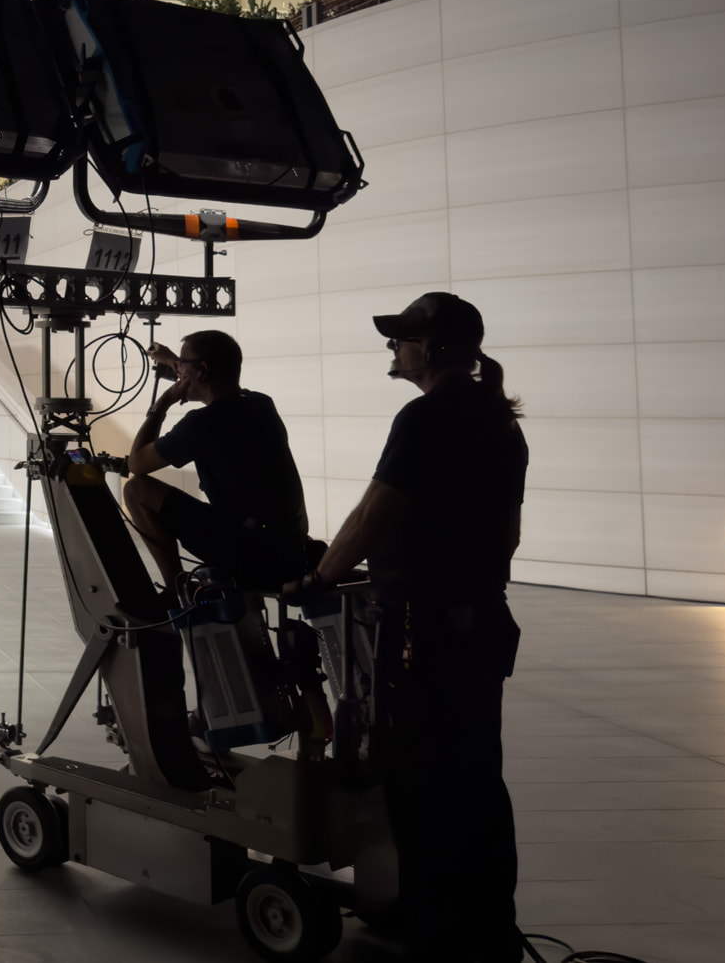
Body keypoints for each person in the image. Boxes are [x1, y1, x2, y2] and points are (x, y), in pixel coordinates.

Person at [301, 291, 528, 962]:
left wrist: (317, 578)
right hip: (481, 621)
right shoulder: (498, 418)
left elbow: (375, 517)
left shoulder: (426, 416)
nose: (394, 349)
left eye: (402, 339)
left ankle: (436, 926)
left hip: (422, 628)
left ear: (431, 349)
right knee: (477, 773)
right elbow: (507, 530)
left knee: (418, 776)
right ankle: (487, 925)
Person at [121, 329, 310, 592]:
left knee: (136, 490)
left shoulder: (201, 424)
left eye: (183, 366)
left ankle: (177, 591)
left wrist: (162, 404)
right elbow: (212, 377)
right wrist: (176, 362)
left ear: (202, 370)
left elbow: (137, 464)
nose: (180, 373)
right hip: (291, 547)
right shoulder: (261, 404)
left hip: (252, 553)